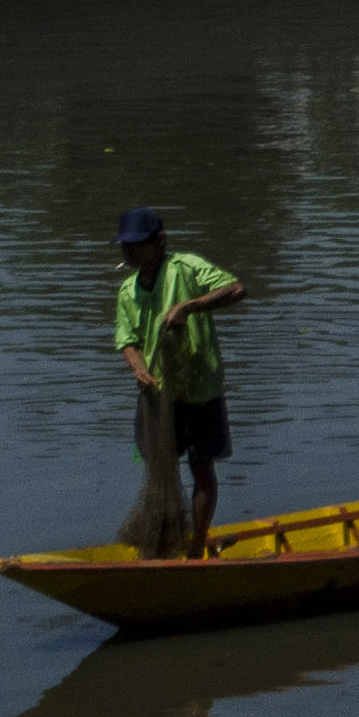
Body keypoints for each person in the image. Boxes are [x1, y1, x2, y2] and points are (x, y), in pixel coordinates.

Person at [114, 209, 249, 542]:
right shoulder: (128, 290)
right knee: (160, 471)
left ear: (159, 241)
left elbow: (236, 289)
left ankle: (197, 544)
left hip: (200, 388)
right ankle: (165, 540)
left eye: (137, 245)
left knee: (201, 467)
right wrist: (138, 368)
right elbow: (128, 342)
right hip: (158, 394)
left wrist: (189, 306)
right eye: (125, 246)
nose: (129, 252)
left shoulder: (186, 267)